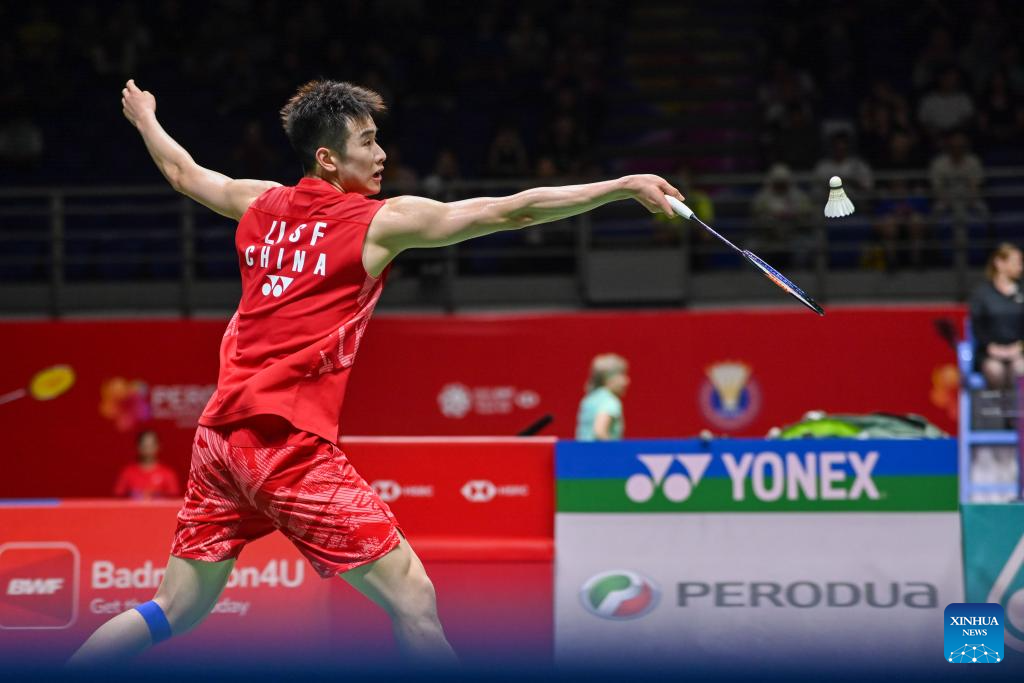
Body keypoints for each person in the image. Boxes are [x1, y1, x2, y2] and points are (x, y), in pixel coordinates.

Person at [69, 79, 682, 667]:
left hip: (219, 441)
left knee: (175, 608)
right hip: (285, 442)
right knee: (412, 598)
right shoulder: (376, 221)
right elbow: (508, 212)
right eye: (367, 141)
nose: (382, 153)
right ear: (328, 158)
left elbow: (183, 173)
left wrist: (146, 118)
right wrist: (621, 186)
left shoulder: (260, 202)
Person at [969, 243, 1024, 389]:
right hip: (989, 352)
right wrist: (992, 348)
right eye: (1017, 262)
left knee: (1020, 368)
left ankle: (1018, 404)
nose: (1021, 267)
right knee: (995, 371)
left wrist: (1019, 347)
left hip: (1019, 351)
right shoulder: (982, 294)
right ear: (999, 263)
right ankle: (1000, 404)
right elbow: (977, 328)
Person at [113, 430, 181, 500]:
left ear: (159, 446)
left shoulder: (168, 474)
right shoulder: (127, 473)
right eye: (144, 445)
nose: (148, 448)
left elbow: (174, 501)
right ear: (138, 446)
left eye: (151, 445)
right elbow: (118, 500)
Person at [575, 354, 629, 441]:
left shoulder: (589, 399)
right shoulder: (610, 401)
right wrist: (615, 449)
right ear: (608, 378)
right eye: (622, 375)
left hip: (581, 449)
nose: (626, 381)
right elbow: (599, 431)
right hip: (600, 450)